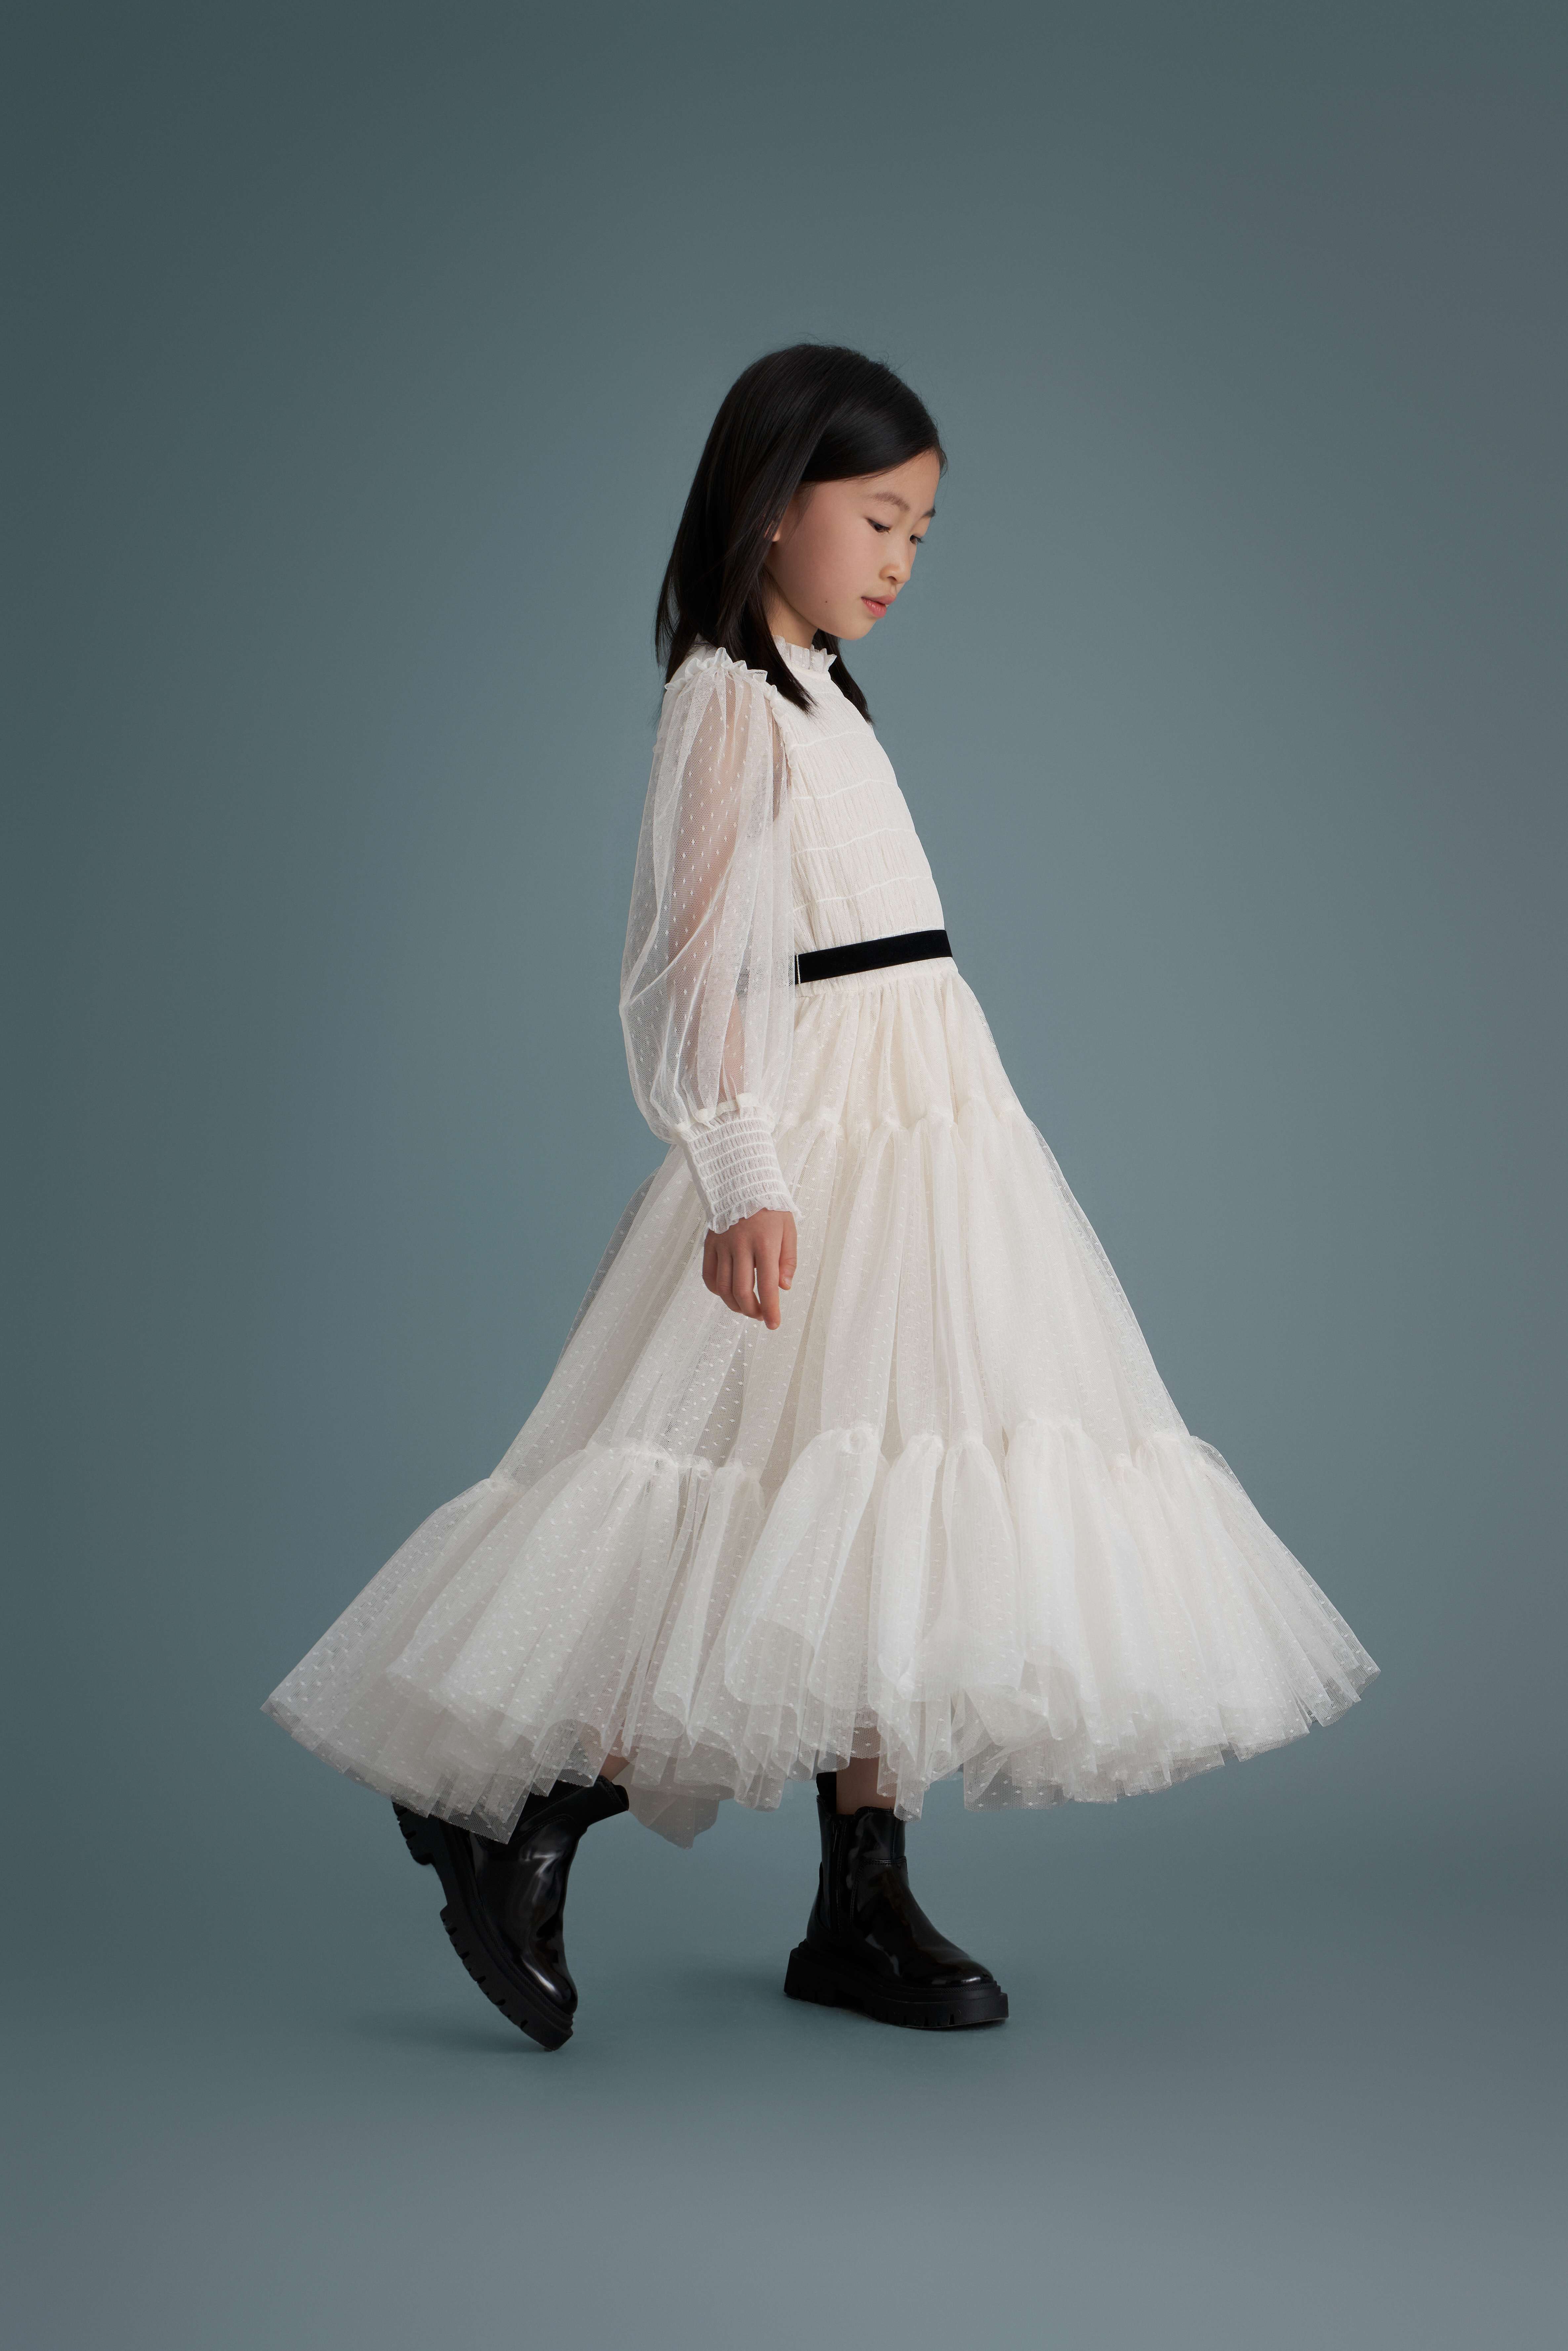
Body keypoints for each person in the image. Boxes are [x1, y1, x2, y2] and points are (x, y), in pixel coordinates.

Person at [263, 344, 1379, 2048]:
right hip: (827, 1130)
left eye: (924, 533)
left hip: (934, 1114)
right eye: (879, 519)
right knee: (752, 1477)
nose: (902, 559)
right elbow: (693, 957)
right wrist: (740, 1166)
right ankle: (522, 1810)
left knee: (894, 1470)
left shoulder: (826, 693)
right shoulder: (725, 698)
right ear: (775, 503)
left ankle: (863, 1896)